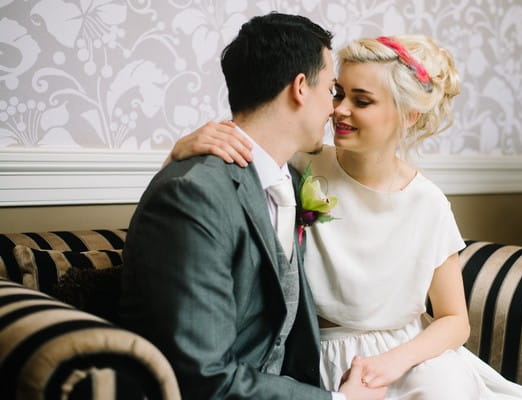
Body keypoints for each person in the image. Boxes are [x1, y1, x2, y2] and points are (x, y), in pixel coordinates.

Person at [167, 34, 522, 399]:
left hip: (409, 357)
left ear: (409, 115)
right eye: (338, 93)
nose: (339, 110)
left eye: (361, 101)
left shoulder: (427, 203)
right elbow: (214, 182)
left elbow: (454, 320)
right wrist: (181, 150)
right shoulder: (300, 164)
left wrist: (393, 362)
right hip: (318, 355)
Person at [119, 12, 387, 400]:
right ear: (300, 87)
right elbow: (201, 379)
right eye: (331, 90)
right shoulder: (191, 196)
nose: (334, 109)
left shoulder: (290, 179)